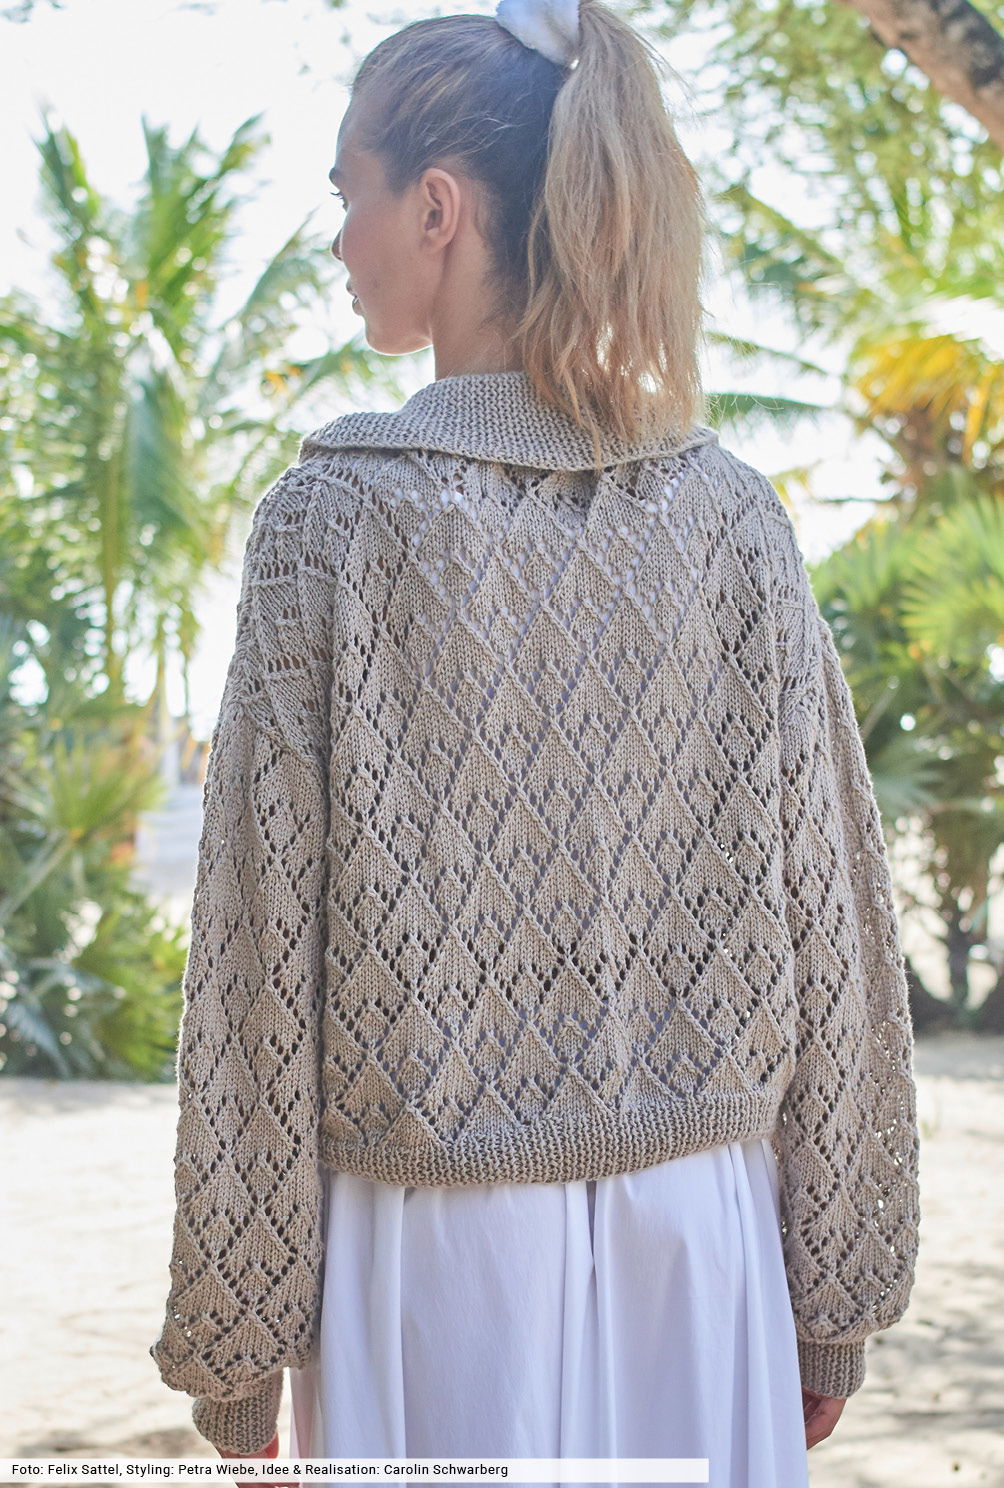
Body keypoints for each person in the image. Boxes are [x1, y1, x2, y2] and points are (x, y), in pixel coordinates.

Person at [149, 1, 922, 1483]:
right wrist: (833, 1294)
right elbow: (836, 923)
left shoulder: (334, 523)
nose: (339, 241)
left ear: (436, 208)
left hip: (430, 1259)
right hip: (704, 1241)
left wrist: (238, 1344)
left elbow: (256, 956)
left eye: (348, 195)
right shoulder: (730, 516)